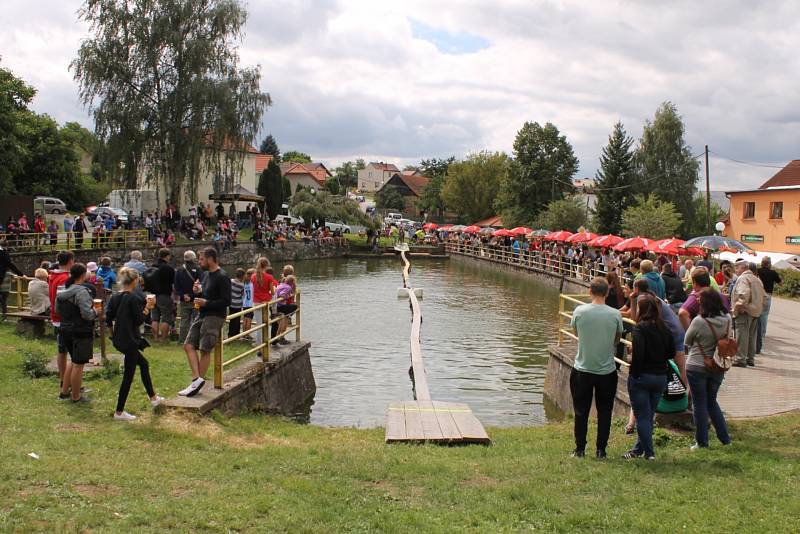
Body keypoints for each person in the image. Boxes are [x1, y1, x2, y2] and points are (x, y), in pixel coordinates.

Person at [568, 277, 622, 459]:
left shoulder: (579, 311)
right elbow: (616, 339)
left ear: (589, 291)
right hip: (607, 370)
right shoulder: (615, 314)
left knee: (581, 410)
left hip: (582, 368)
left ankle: (580, 449)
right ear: (607, 293)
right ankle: (601, 450)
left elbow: (577, 334)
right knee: (605, 411)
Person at [105, 267, 163, 420]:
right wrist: (148, 308)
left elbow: (108, 318)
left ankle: (154, 398)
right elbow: (139, 320)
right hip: (130, 339)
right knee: (128, 376)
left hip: (119, 339)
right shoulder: (133, 298)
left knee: (143, 364)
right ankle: (119, 412)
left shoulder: (115, 297)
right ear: (136, 281)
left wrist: (112, 336)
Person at [623, 295, 673, 460]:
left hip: (642, 376)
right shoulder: (664, 328)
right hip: (660, 376)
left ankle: (649, 454)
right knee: (648, 415)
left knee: (642, 416)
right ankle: (638, 449)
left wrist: (634, 374)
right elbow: (671, 352)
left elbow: (639, 355)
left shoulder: (640, 329)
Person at [683, 288, 732, 449]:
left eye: (699, 301)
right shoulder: (727, 319)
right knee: (712, 402)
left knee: (699, 404)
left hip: (697, 365)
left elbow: (687, 340)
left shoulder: (698, 321)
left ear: (705, 304)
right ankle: (725, 439)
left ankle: (702, 441)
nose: (697, 302)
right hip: (718, 365)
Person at [179, 247, 231, 397]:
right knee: (188, 345)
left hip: (214, 316)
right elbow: (207, 294)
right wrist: (198, 292)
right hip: (202, 314)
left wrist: (206, 303)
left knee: (204, 349)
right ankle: (197, 380)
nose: (199, 262)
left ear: (210, 259)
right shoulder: (207, 275)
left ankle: (196, 384)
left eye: (201, 259)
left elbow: (226, 301)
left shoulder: (222, 276)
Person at [57, 263, 98, 403]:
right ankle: (76, 396)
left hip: (64, 329)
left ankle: (64, 392)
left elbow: (57, 310)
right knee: (79, 364)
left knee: (73, 361)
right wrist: (97, 311)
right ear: (82, 275)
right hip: (80, 331)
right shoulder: (82, 292)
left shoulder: (62, 291)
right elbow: (87, 314)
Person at [730, 260, 764, 367]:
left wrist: (739, 306)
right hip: (755, 311)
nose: (736, 270)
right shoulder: (757, 279)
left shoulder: (743, 278)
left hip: (745, 310)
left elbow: (743, 293)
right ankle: (750, 358)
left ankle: (740, 359)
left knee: (742, 335)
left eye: (737, 267)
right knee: (751, 336)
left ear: (744, 268)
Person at [49, 250, 74, 394]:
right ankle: (67, 382)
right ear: (70, 261)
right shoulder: (64, 278)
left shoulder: (53, 275)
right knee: (70, 353)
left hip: (55, 317)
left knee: (61, 350)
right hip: (63, 320)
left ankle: (63, 379)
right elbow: (64, 300)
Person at [145, 248, 176, 341]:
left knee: (155, 318)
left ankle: (155, 337)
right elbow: (173, 281)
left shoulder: (152, 267)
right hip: (164, 295)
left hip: (152, 295)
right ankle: (163, 338)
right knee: (166, 318)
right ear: (167, 256)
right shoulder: (168, 268)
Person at [174, 250, 201, 344]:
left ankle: (182, 340)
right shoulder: (198, 269)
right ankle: (193, 341)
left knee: (184, 321)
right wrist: (191, 295)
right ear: (193, 258)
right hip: (195, 299)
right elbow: (200, 285)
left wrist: (183, 295)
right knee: (195, 321)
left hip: (183, 300)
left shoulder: (179, 270)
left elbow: (176, 286)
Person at [756, 256, 781, 354]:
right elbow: (781, 283)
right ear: (769, 263)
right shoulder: (773, 273)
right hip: (768, 296)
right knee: (765, 315)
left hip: (759, 295)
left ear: (762, 263)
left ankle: (756, 332)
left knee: (757, 313)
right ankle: (762, 334)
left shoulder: (758, 271)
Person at [251, 257, 277, 348]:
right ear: (266, 265)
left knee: (259, 325)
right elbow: (272, 292)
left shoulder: (253, 276)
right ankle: (265, 345)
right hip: (265, 303)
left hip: (256, 303)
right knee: (265, 325)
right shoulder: (269, 277)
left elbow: (253, 290)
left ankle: (259, 346)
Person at [274, 275, 298, 344]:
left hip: (276, 306)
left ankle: (277, 336)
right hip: (280, 306)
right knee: (295, 306)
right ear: (292, 282)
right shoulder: (288, 287)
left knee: (281, 321)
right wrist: (286, 296)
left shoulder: (281, 284)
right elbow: (282, 294)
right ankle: (288, 315)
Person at [228, 268, 245, 338]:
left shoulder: (231, 281)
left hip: (231, 303)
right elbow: (242, 294)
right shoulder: (242, 285)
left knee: (231, 319)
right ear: (242, 276)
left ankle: (230, 334)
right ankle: (236, 334)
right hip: (238, 304)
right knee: (237, 320)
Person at [242, 268, 255, 340]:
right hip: (250, 303)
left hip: (244, 303)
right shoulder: (252, 284)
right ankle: (247, 335)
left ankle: (244, 334)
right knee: (249, 319)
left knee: (245, 319)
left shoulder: (244, 283)